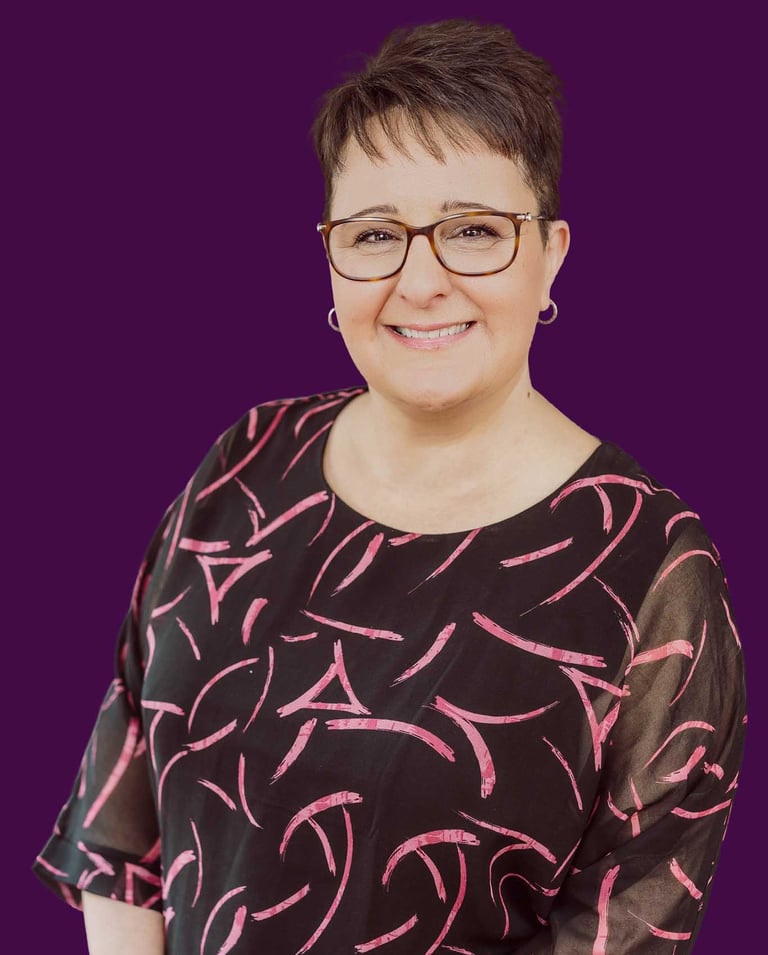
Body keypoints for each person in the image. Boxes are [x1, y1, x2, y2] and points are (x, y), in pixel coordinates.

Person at [33, 18, 746, 954]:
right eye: (376, 234)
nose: (420, 280)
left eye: (474, 232)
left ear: (553, 254)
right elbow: (122, 834)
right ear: (330, 254)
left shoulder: (650, 567)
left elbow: (623, 928)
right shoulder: (245, 460)